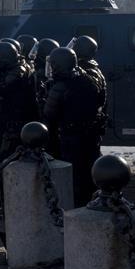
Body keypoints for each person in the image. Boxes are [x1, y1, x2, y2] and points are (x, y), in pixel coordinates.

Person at [42, 47, 105, 206]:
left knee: (73, 173)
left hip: (71, 136)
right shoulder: (88, 78)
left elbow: (49, 114)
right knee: (90, 169)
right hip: (91, 134)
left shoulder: (60, 86)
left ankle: (77, 205)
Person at [0, 41, 35, 160]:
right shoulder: (17, 66)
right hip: (11, 118)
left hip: (17, 120)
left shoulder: (19, 71)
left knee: (8, 155)